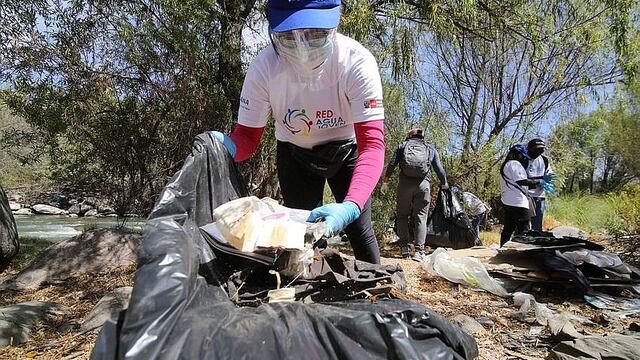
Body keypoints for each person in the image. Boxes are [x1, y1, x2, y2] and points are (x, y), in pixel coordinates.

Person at [211, 0, 385, 264]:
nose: (303, 48)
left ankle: (376, 294)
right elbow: (246, 138)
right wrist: (225, 148)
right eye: (288, 37)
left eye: (315, 34)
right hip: (295, 155)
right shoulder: (264, 68)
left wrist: (351, 205)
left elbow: (372, 145)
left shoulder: (357, 63)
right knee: (301, 237)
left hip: (345, 151)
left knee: (359, 229)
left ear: (335, 25)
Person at [381, 129, 448, 261]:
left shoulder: (403, 146)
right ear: (422, 137)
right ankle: (419, 252)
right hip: (423, 185)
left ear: (409, 136)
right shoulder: (430, 149)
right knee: (421, 217)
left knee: (402, 216)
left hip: (405, 185)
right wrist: (444, 183)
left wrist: (385, 182)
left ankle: (404, 248)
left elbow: (392, 164)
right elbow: (439, 169)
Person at [499, 144, 553, 246]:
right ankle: (520, 251)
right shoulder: (514, 164)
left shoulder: (506, 165)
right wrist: (539, 182)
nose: (523, 158)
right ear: (518, 155)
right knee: (524, 230)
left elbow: (517, 182)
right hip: (518, 202)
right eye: (522, 156)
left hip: (507, 201)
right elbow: (522, 181)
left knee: (508, 228)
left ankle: (503, 249)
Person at [526, 138, 556, 231]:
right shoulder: (523, 159)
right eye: (537, 149)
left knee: (537, 226)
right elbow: (518, 178)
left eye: (541, 149)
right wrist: (536, 182)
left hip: (540, 196)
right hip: (525, 195)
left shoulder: (544, 160)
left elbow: (550, 175)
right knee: (523, 225)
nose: (539, 151)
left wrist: (547, 181)